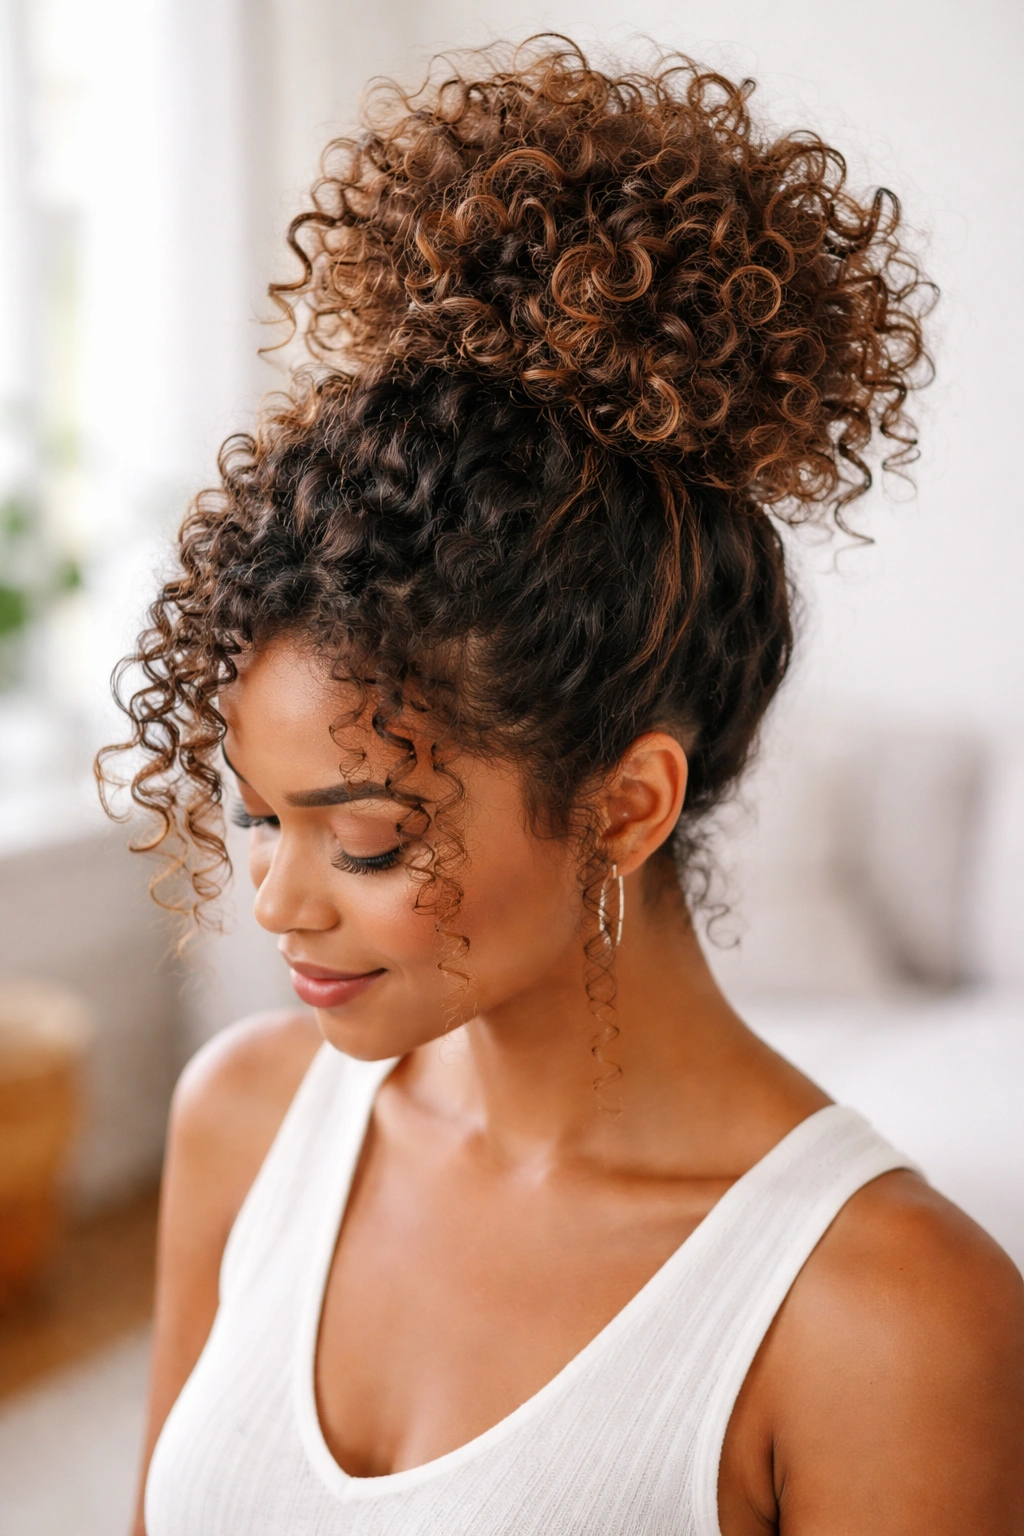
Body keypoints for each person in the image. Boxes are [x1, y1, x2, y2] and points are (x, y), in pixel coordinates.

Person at [102, 39, 1024, 1535]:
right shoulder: (245, 1118)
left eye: (372, 838)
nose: (273, 901)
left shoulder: (888, 1315)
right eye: (259, 817)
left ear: (627, 805)